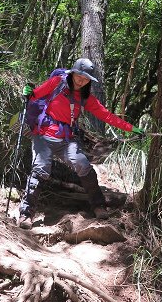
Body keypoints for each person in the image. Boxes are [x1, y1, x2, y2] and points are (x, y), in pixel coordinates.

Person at [17, 58, 144, 229]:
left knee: (83, 165)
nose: (81, 80)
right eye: (79, 76)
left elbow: (107, 116)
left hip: (66, 139)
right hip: (43, 135)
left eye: (86, 78)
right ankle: (26, 214)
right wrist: (29, 92)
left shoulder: (86, 98)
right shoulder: (57, 83)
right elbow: (36, 94)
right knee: (40, 169)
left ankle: (99, 206)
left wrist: (131, 128)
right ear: (73, 73)